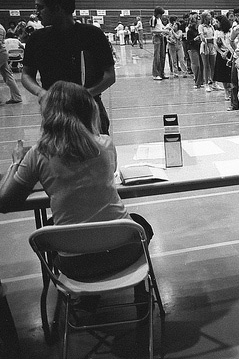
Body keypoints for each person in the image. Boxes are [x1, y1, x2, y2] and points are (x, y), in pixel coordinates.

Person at [0, 81, 153, 286]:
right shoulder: (105, 145)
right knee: (142, 226)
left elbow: (5, 202)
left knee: (52, 229)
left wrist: (17, 162)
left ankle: (83, 301)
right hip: (121, 251)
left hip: (75, 265)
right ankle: (141, 296)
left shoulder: (38, 154)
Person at [22, 0, 115, 134]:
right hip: (54, 112)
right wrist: (40, 93)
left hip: (89, 110)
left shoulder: (92, 35)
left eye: (40, 7)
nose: (36, 13)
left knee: (98, 154)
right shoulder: (37, 39)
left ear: (57, 8)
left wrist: (86, 95)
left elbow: (109, 75)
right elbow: (26, 74)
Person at [0, 23, 22, 104]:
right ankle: (17, 97)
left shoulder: (0, 29)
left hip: (1, 53)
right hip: (2, 53)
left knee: (7, 75)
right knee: (7, 75)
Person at [199, 11, 217, 92]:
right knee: (206, 65)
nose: (210, 16)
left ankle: (214, 83)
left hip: (212, 46)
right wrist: (211, 39)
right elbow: (202, 38)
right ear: (205, 17)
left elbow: (215, 37)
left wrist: (213, 40)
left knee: (213, 65)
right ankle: (206, 84)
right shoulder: (201, 26)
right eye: (208, 15)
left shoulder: (212, 27)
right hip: (204, 46)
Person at [150, 6, 169, 80]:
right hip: (156, 38)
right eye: (160, 14)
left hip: (161, 37)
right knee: (157, 56)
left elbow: (159, 28)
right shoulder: (153, 19)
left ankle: (161, 73)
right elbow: (152, 30)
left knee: (162, 56)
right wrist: (163, 31)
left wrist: (164, 29)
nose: (161, 16)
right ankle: (155, 74)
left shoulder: (159, 19)